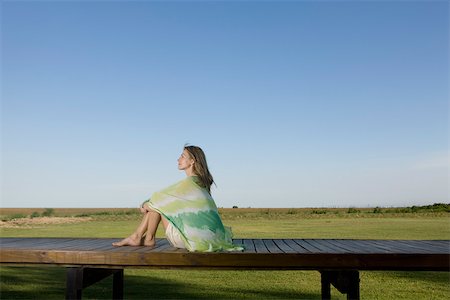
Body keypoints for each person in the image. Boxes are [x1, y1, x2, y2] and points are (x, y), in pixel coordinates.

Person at [112, 145, 243, 252]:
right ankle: (142, 237)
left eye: (182, 156)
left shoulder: (188, 184)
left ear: (192, 161)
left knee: (158, 203)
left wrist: (144, 205)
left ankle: (141, 237)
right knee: (160, 202)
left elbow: (158, 200)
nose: (178, 159)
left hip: (191, 239)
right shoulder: (200, 183)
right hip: (211, 237)